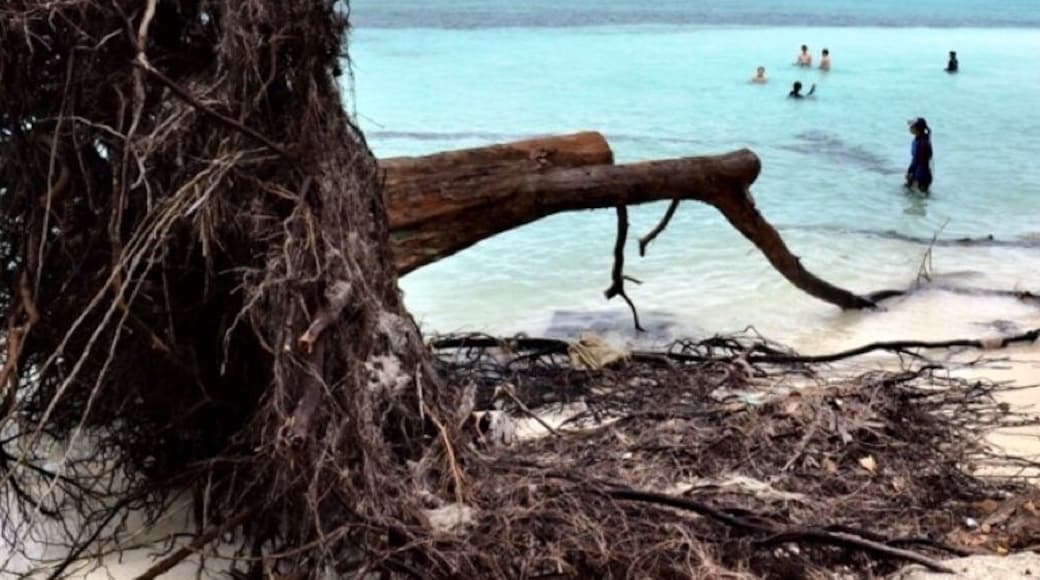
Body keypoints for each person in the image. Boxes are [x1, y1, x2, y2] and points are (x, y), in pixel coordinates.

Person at [906, 118, 933, 193]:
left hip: (921, 176)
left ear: (917, 129)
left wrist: (915, 178)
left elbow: (920, 162)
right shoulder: (918, 140)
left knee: (917, 198)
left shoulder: (922, 143)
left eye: (912, 127)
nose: (910, 128)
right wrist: (910, 171)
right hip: (919, 174)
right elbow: (915, 159)